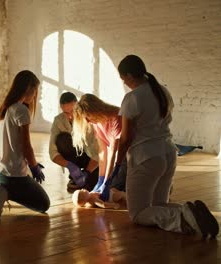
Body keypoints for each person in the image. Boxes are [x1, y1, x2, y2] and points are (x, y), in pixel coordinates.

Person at [114, 55, 218, 238]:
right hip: (168, 152)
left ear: (129, 75)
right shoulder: (162, 91)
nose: (124, 82)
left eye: (123, 79)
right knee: (158, 204)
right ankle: (189, 212)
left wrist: (118, 161)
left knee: (137, 213)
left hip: (146, 157)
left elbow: (125, 137)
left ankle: (182, 218)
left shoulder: (132, 98)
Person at [0, 70, 50, 219]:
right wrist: (34, 168)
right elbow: (26, 145)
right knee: (43, 204)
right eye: (35, 91)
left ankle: (1, 188)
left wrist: (32, 163)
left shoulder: (7, 107)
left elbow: (15, 145)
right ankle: (4, 193)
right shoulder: (22, 110)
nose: (35, 95)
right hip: (13, 176)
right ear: (29, 89)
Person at [72, 94, 127, 200]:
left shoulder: (116, 117)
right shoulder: (96, 122)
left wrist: (107, 182)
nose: (87, 121)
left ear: (96, 110)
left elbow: (113, 151)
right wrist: (100, 180)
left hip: (129, 157)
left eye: (88, 117)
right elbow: (102, 152)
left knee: (114, 190)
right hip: (119, 157)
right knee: (104, 193)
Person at [49, 92, 99, 192]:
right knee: (62, 139)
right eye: (66, 113)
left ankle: (83, 176)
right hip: (73, 158)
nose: (70, 116)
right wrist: (70, 166)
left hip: (91, 159)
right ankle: (75, 175)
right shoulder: (58, 120)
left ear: (78, 106)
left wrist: (88, 172)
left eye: (72, 111)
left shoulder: (88, 120)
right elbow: (52, 151)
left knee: (90, 189)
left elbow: (98, 153)